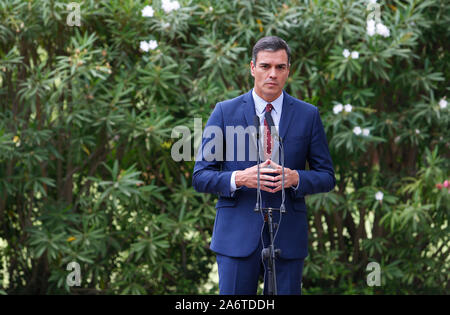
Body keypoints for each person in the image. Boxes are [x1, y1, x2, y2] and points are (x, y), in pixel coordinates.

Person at [192, 36, 335, 295]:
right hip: (235, 238)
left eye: (280, 67)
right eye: (265, 66)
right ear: (252, 68)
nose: (273, 74)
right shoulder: (224, 112)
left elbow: (327, 176)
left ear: (288, 70)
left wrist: (296, 178)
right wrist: (239, 178)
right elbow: (201, 176)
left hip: (288, 237)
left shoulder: (308, 114)